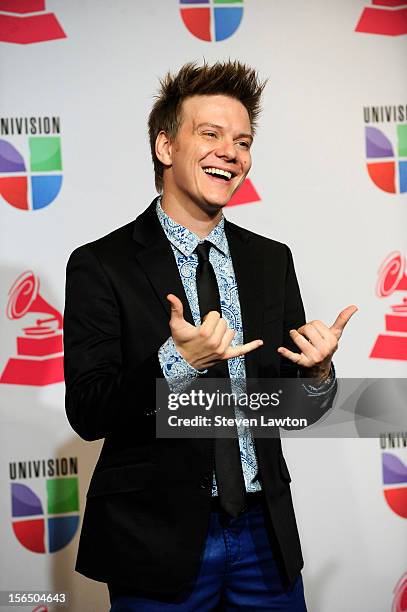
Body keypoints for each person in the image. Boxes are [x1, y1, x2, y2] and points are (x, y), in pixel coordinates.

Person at [64, 60, 357, 611]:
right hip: (157, 540)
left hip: (263, 537)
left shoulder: (271, 261)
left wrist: (317, 375)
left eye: (243, 141)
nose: (232, 152)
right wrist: (176, 364)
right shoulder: (101, 264)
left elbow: (292, 408)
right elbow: (88, 410)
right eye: (211, 134)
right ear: (166, 147)